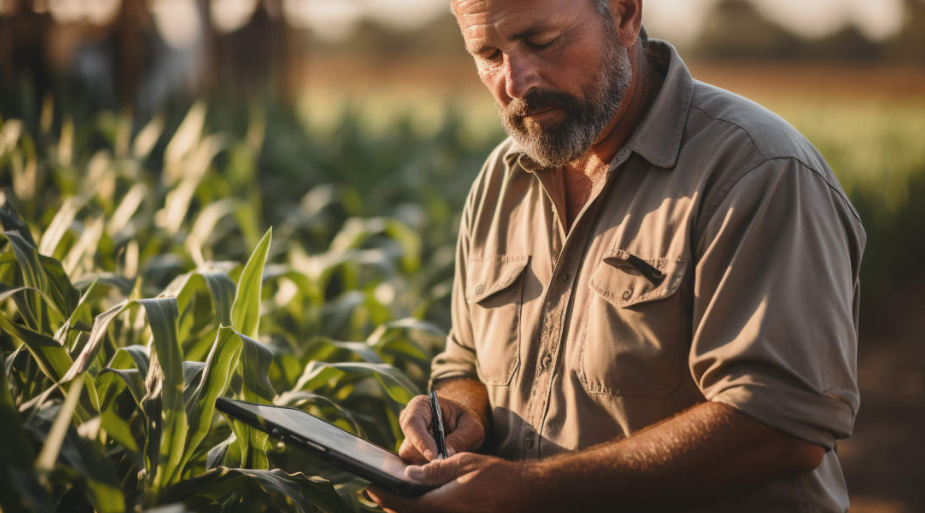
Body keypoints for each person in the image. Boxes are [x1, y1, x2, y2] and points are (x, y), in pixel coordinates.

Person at [366, 0, 865, 511]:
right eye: (489, 53)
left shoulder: (756, 170)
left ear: (625, 15)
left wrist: (533, 491)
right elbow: (464, 359)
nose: (515, 82)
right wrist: (457, 409)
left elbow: (780, 425)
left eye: (540, 42)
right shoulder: (501, 180)